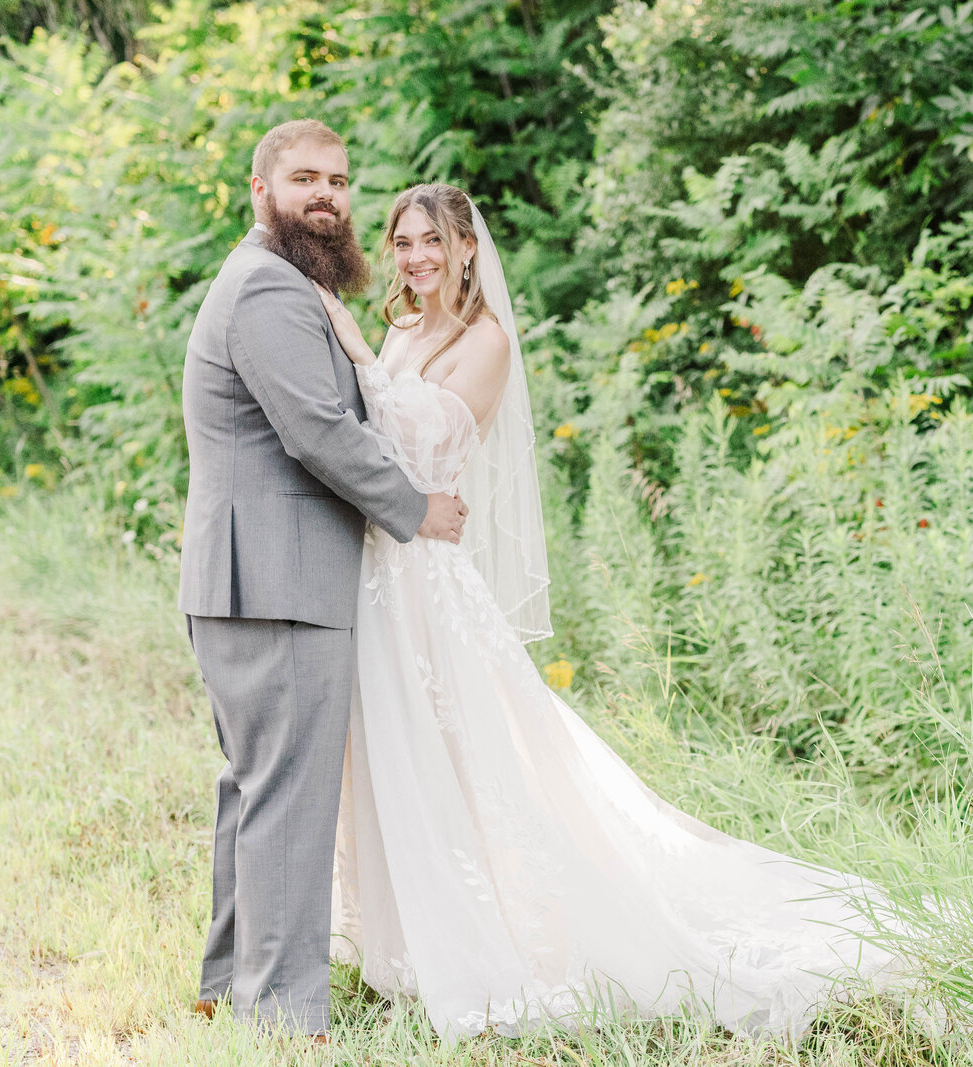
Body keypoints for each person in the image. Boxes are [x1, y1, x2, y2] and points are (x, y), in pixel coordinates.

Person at [315, 183, 925, 1040]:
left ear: (465, 250)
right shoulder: (408, 325)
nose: (414, 258)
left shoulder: (486, 341)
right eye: (403, 242)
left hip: (431, 585)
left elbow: (422, 439)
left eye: (430, 243)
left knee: (470, 756)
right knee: (404, 754)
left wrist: (351, 346)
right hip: (387, 573)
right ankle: (407, 937)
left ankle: (493, 936)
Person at [177, 120, 469, 1040]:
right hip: (277, 581)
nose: (328, 196)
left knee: (257, 786)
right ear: (259, 189)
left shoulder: (279, 278)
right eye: (305, 178)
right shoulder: (266, 287)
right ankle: (284, 1014)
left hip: (255, 578)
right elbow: (315, 430)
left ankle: (229, 983)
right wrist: (416, 506)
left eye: (340, 181)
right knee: (288, 796)